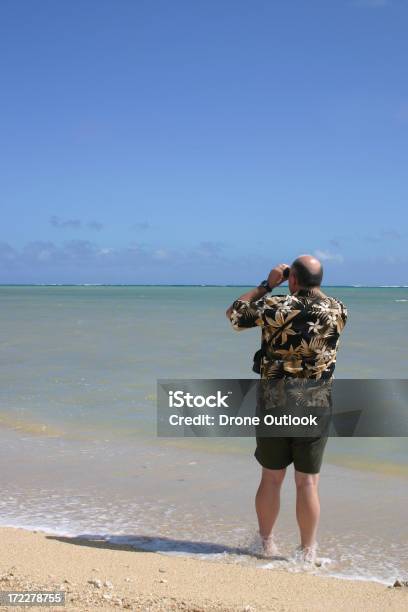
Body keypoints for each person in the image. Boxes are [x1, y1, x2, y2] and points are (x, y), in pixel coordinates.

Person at [225, 255, 348, 563]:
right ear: (319, 279)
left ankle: (265, 545)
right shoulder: (338, 309)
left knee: (271, 477)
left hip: (275, 401)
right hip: (315, 401)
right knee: (307, 481)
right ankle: (308, 551)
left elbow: (234, 314)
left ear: (292, 279)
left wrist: (267, 284)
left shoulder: (276, 306)